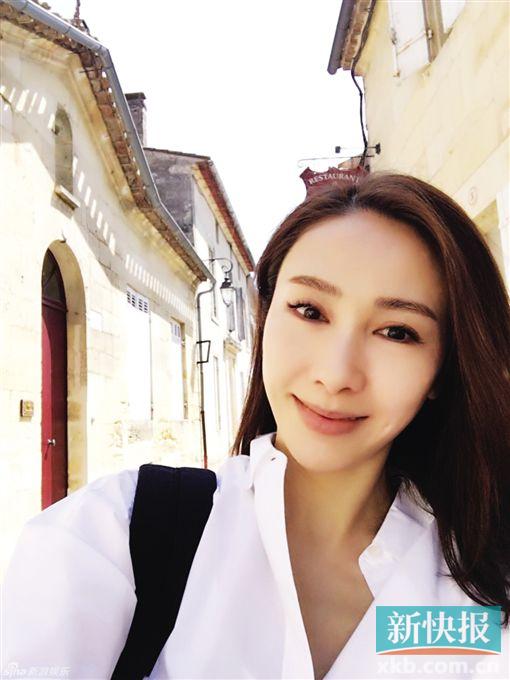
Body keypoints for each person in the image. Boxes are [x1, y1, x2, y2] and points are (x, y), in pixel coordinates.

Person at [2, 172, 510, 679]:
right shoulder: (117, 535)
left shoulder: (478, 589)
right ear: (264, 318)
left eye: (397, 332)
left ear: (444, 368)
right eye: (310, 310)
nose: (336, 375)